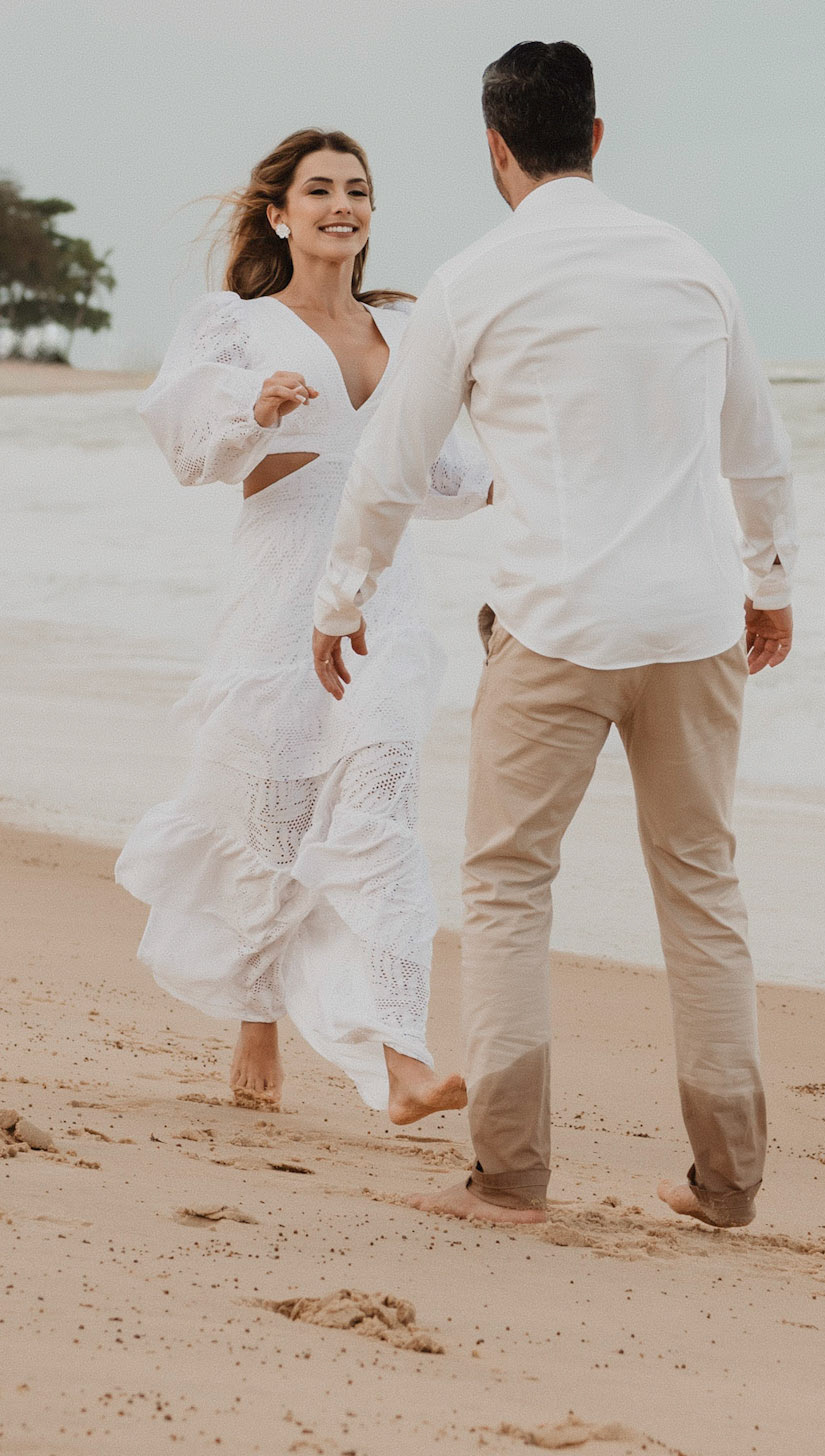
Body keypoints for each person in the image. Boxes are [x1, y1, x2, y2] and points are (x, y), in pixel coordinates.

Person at [313, 43, 795, 1225]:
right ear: (595, 134)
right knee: (701, 886)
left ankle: (512, 1175)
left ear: (495, 149)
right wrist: (771, 583)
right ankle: (727, 1185)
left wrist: (340, 599)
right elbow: (760, 452)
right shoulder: (691, 265)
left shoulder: (478, 278)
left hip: (555, 625)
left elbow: (391, 462)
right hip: (692, 628)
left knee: (511, 886)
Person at [116, 128, 492, 1124]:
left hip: (385, 603)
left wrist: (527, 470)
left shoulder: (409, 330)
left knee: (379, 798)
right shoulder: (236, 325)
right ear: (278, 212)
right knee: (268, 810)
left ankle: (402, 1051)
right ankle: (255, 1013)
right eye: (320, 188)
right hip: (278, 590)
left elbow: (448, 474)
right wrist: (257, 404)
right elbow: (192, 448)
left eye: (359, 190)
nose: (343, 204)